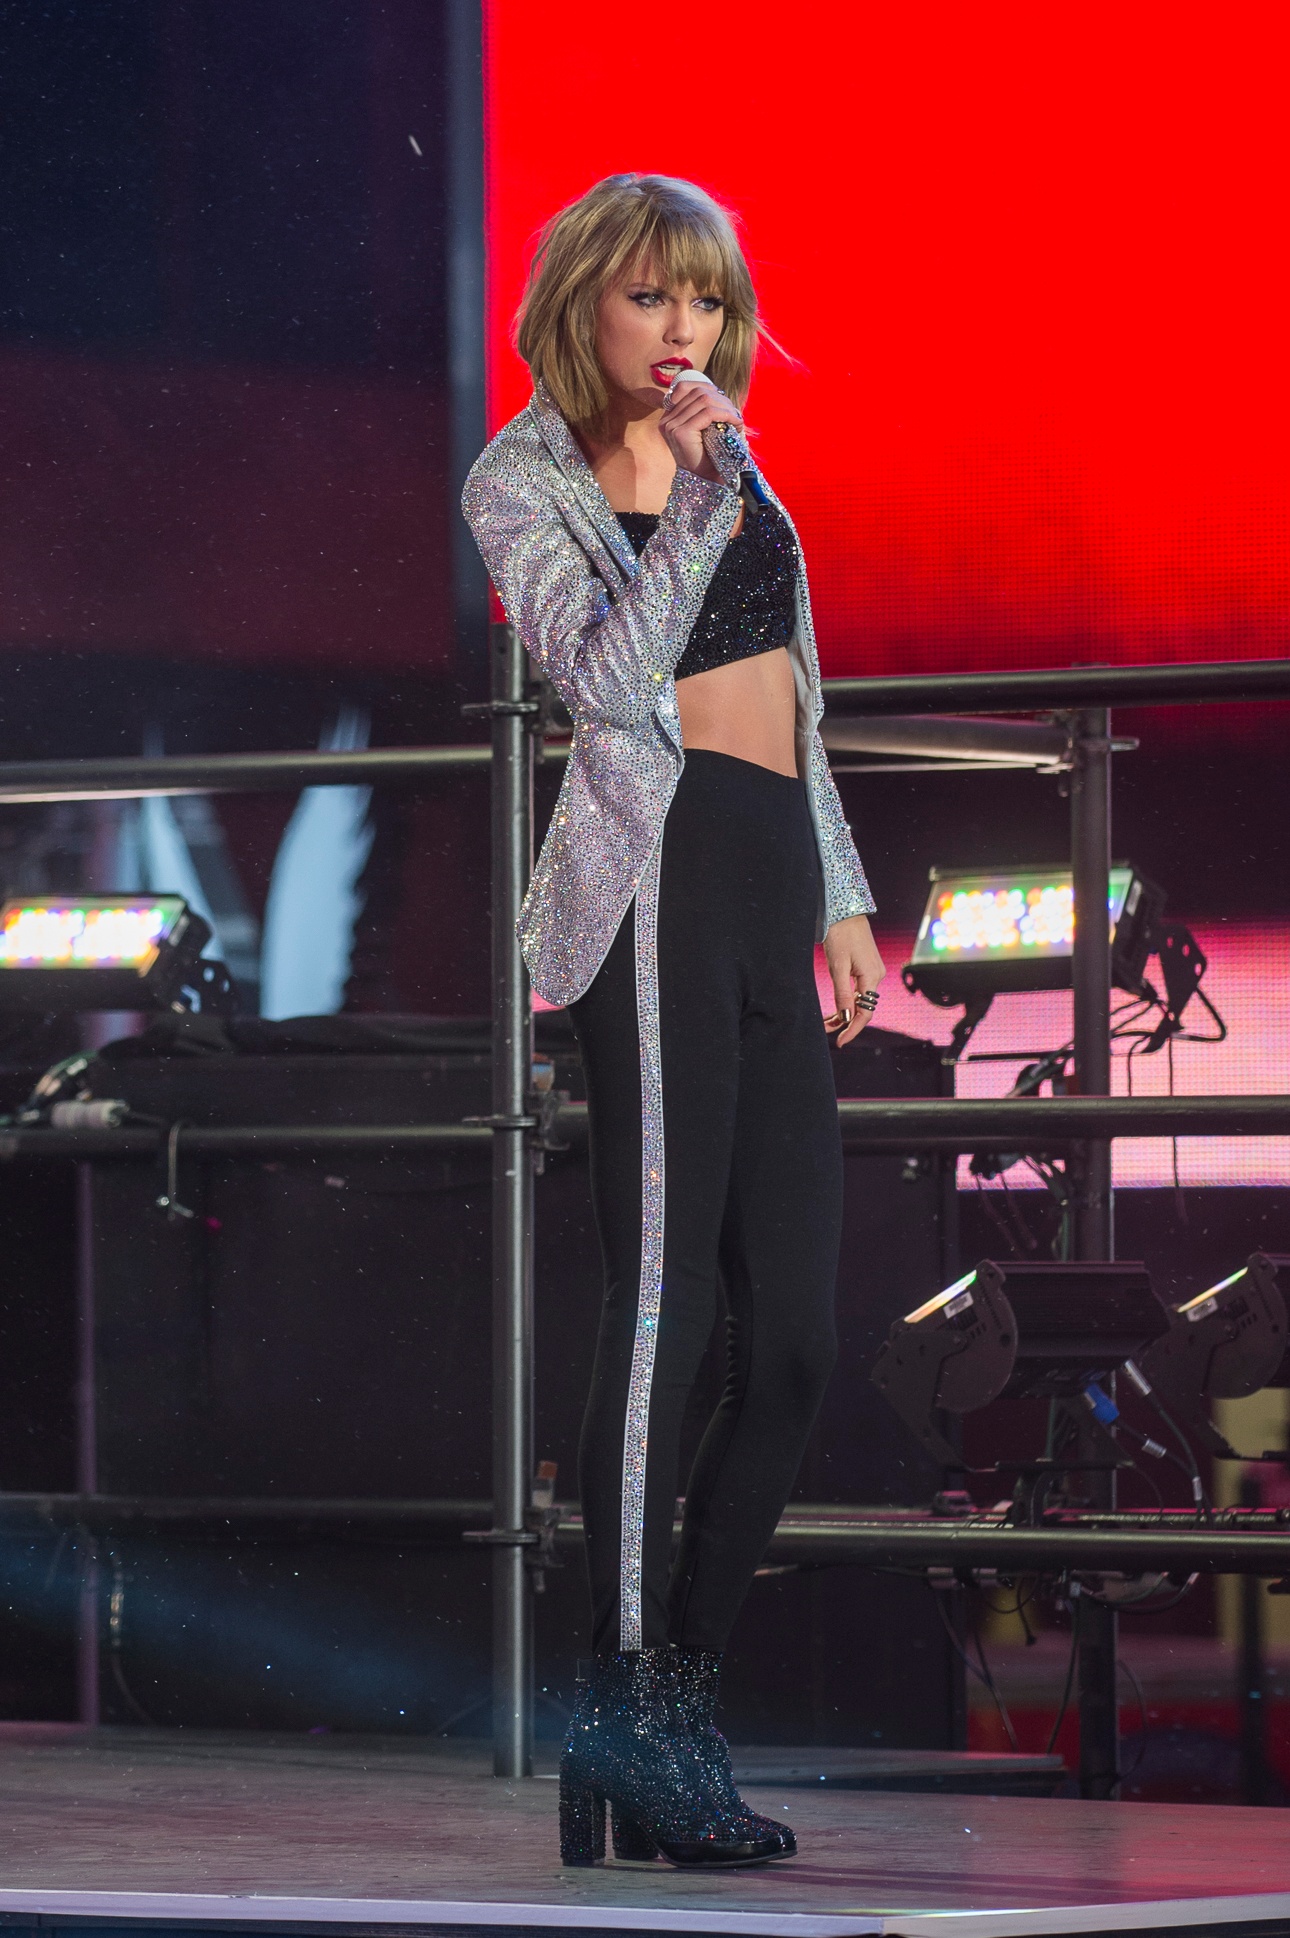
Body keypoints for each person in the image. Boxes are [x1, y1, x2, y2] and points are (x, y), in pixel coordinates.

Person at [463, 173, 884, 1869]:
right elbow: (606, 680)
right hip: (652, 878)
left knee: (793, 1337)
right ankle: (629, 1711)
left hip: (769, 868)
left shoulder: (731, 457)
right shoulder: (523, 476)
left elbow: (792, 691)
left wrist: (838, 886)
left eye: (705, 299)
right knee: (663, 1315)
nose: (683, 329)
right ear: (583, 303)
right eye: (651, 297)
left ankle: (671, 1703)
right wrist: (703, 494)